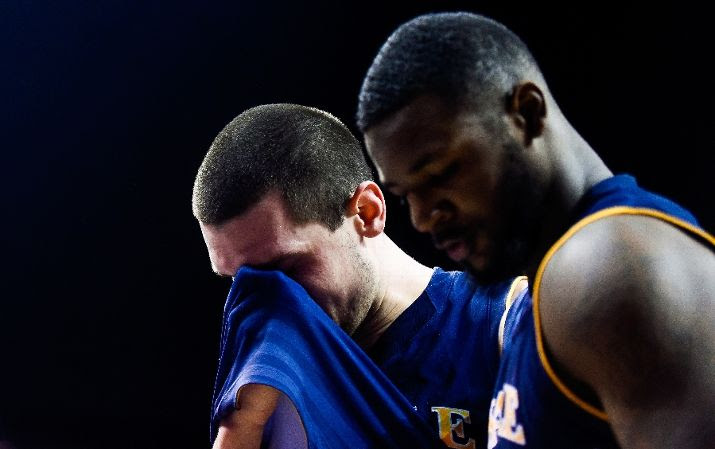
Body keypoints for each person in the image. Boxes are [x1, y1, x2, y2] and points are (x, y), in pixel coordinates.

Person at [358, 12, 715, 449]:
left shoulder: (608, 269)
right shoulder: (553, 286)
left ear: (526, 113)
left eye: (440, 174)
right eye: (405, 195)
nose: (421, 217)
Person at [192, 103, 526, 448]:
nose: (266, 304)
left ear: (367, 213)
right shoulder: (268, 392)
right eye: (238, 284)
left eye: (284, 270)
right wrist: (243, 426)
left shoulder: (503, 323)